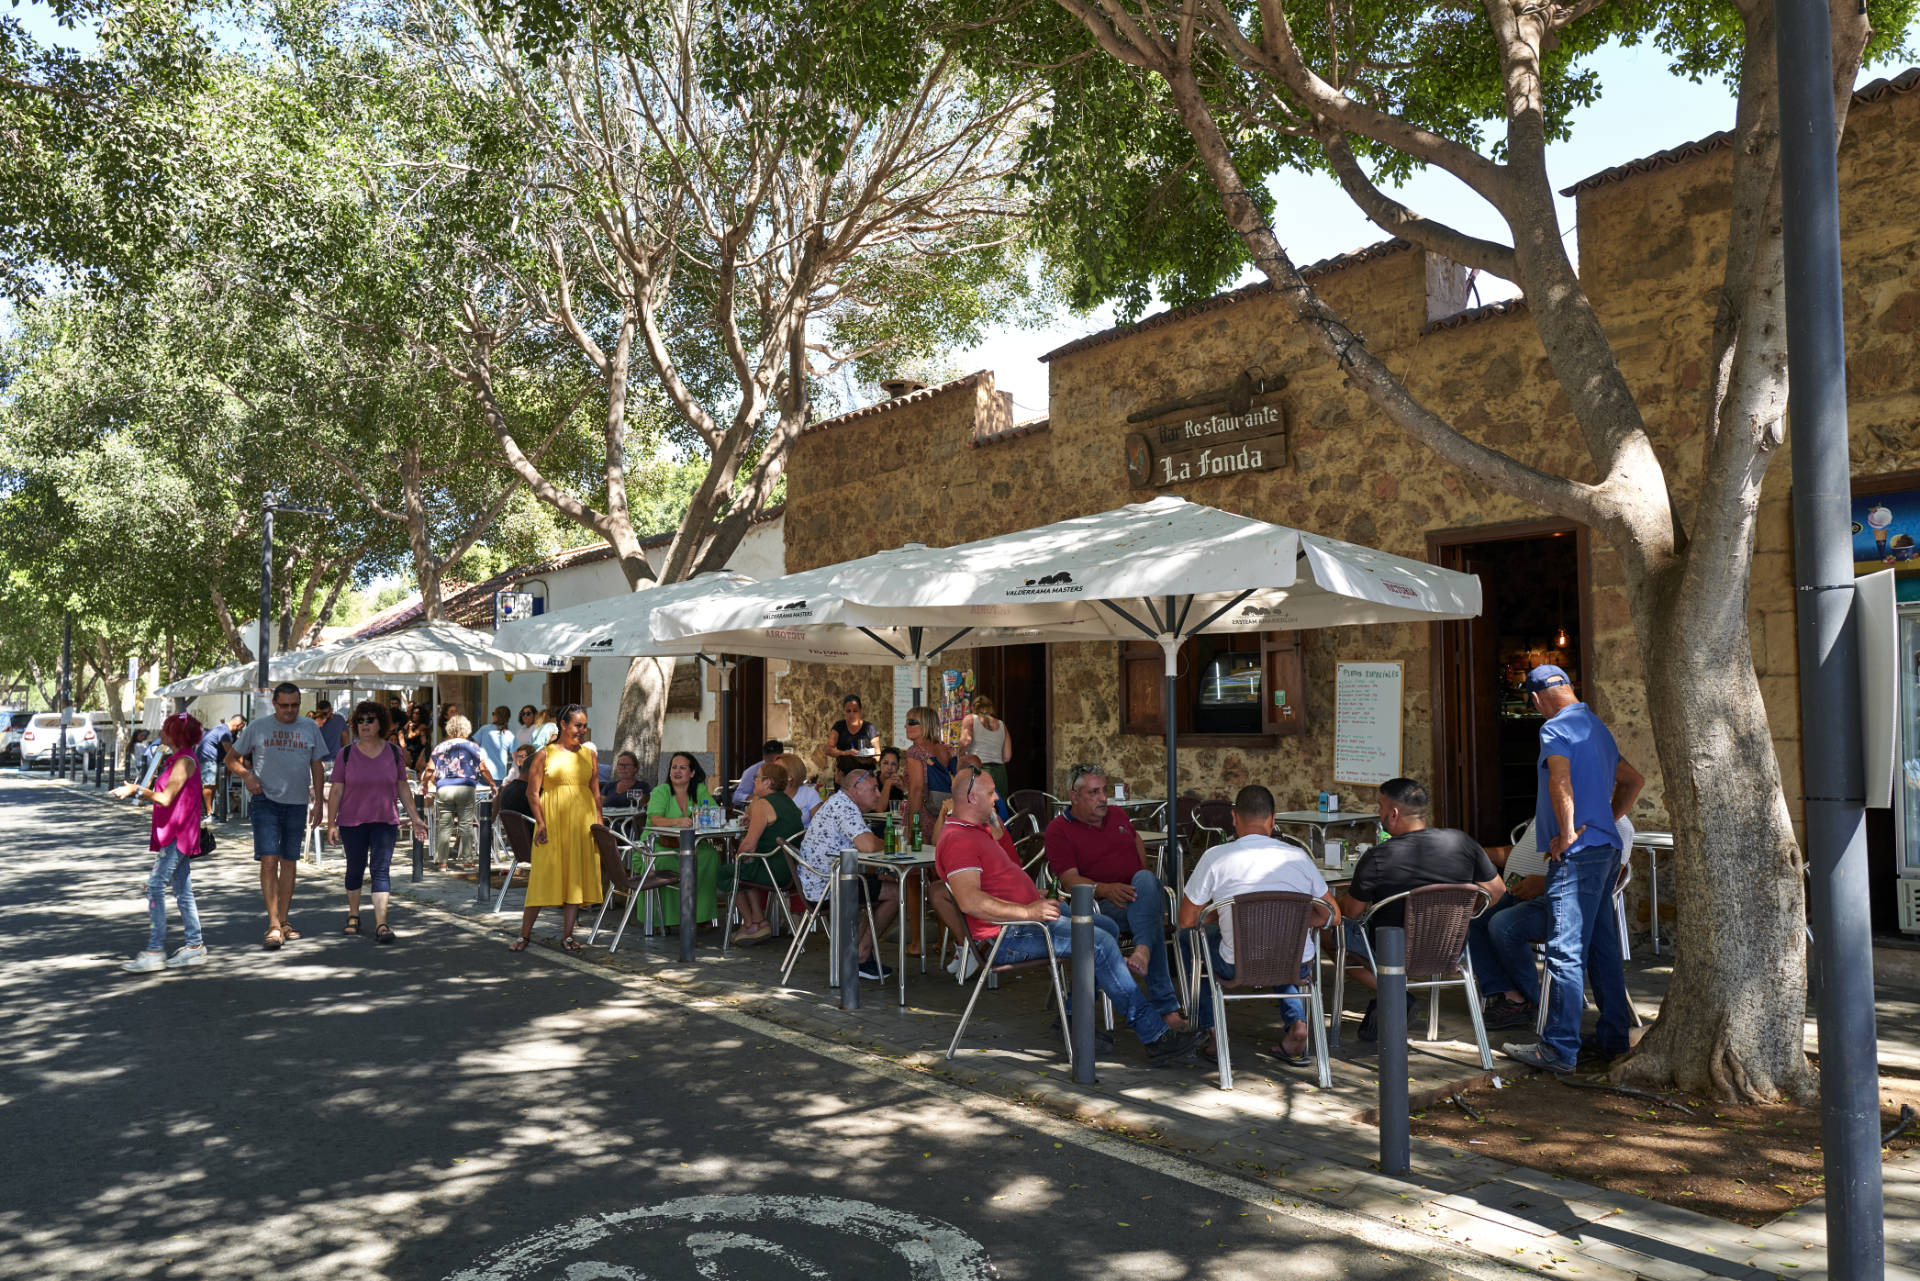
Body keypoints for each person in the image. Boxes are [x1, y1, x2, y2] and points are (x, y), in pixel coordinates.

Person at [937, 763, 1203, 1067]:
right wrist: (1026, 909)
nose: (997, 798)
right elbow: (970, 901)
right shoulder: (958, 840)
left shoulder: (979, 830)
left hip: (1028, 919)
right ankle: (1156, 1036)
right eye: (990, 792)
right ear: (971, 798)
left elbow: (1003, 875)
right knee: (1099, 941)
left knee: (1103, 926)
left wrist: (1031, 896)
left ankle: (1077, 1019)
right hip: (1006, 935)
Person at [1501, 666, 1646, 1073]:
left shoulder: (1554, 730)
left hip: (1578, 854)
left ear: (1535, 699)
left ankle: (1558, 1050)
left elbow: (1559, 781)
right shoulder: (1596, 727)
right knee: (1603, 949)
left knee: (1565, 952)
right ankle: (1614, 1039)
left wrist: (1566, 833)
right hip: (1605, 849)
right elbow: (1634, 780)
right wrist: (1604, 817)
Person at [1178, 785, 1339, 1066]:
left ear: (1233, 817)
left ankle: (1215, 1034)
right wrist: (1297, 922)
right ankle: (1297, 1024)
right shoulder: (1299, 857)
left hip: (1236, 964)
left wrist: (1222, 912)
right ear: (1273, 820)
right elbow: (1333, 915)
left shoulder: (1215, 857)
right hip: (1293, 963)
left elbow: (1187, 920)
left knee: (1187, 941)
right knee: (1282, 944)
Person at [1339, 777, 1505, 1041]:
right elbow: (1497, 891)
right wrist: (1463, 916)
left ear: (1393, 813)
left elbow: (1350, 912)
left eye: (1380, 806)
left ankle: (1393, 993)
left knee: (1330, 932)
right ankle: (1395, 993)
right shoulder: (1462, 843)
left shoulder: (1378, 857)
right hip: (1450, 948)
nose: (1378, 813)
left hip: (1390, 952)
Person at [1044, 763, 1186, 1033]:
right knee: (1151, 918)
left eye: (1104, 791)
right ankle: (1167, 1009)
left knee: (1145, 881)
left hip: (1135, 897)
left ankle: (1141, 951)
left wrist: (1139, 888)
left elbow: (1136, 844)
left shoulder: (1118, 814)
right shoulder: (1058, 829)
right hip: (1100, 907)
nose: (1103, 798)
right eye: (1094, 792)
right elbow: (1069, 880)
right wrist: (1106, 888)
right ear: (1075, 796)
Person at [1470, 813, 1637, 1032]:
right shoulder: (1555, 811)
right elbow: (1523, 853)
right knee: (1475, 922)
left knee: (1504, 925)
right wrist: (1477, 853)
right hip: (1521, 895)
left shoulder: (1618, 825)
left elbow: (1608, 879)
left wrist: (1544, 884)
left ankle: (1531, 1002)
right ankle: (1510, 995)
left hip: (1562, 902)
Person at [224, 683, 329, 951]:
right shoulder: (258, 727)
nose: (290, 711)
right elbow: (231, 758)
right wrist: (247, 775)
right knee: (269, 860)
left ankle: (284, 920)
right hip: (265, 800)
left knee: (289, 861)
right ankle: (273, 924)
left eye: (294, 705)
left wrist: (318, 802)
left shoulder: (309, 728)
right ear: (274, 704)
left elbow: (317, 764)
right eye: (284, 706)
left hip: (296, 803)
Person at [111, 713, 210, 972]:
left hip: (177, 833)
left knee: (155, 887)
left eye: (166, 729)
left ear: (176, 734)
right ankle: (195, 946)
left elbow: (165, 798)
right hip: (177, 831)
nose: (161, 732)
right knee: (182, 890)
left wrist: (137, 791)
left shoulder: (184, 761)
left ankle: (155, 951)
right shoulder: (178, 759)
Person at [325, 701, 428, 943]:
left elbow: (402, 787)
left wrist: (415, 819)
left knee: (381, 869)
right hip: (352, 821)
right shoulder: (346, 754)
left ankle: (381, 922)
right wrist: (331, 823)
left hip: (384, 820)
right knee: (355, 867)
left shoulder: (393, 753)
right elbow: (337, 790)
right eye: (360, 720)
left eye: (370, 720)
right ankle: (353, 915)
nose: (364, 725)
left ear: (380, 723)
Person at [795, 767, 899, 980]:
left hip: (826, 880)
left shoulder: (840, 802)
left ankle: (855, 953)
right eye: (874, 788)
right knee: (895, 893)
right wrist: (890, 842)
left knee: (884, 882)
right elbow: (868, 845)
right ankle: (861, 955)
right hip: (827, 887)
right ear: (855, 788)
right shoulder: (844, 807)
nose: (879, 794)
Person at [516, 704, 604, 952]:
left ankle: (567, 935)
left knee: (574, 877)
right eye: (578, 725)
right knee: (543, 876)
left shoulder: (590, 755)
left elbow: (596, 794)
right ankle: (524, 935)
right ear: (563, 725)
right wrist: (541, 822)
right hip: (552, 822)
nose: (582, 730)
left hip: (582, 823)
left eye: (584, 725)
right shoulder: (545, 754)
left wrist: (599, 823)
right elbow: (532, 793)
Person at [726, 758, 804, 944]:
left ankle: (751, 923)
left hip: (775, 870)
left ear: (768, 782)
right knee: (747, 865)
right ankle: (757, 922)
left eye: (757, 778)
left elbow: (749, 845)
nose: (754, 781)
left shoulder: (764, 804)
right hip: (793, 869)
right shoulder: (788, 802)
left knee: (730, 871)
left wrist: (737, 858)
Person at [645, 751, 722, 931]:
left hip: (692, 844)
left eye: (683, 768)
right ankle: (662, 918)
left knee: (709, 857)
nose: (677, 771)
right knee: (664, 861)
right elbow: (655, 819)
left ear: (692, 773)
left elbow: (713, 813)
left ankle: (701, 916)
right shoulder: (661, 791)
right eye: (674, 767)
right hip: (659, 844)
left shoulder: (699, 790)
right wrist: (677, 821)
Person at [422, 714, 496, 872]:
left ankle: (442, 862)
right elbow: (483, 769)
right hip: (466, 787)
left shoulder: (440, 747)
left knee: (444, 825)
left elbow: (429, 769)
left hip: (444, 788)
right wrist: (492, 784)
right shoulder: (473, 747)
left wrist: (424, 784)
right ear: (467, 728)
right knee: (466, 824)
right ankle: (468, 861)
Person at [903, 704, 953, 840]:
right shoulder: (946, 749)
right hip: (944, 814)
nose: (905, 726)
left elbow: (916, 790)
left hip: (924, 815)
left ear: (926, 725)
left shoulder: (915, 751)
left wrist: (913, 827)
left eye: (911, 722)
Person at [959, 695, 1012, 797]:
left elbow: (965, 742)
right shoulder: (1001, 724)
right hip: (1000, 773)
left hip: (980, 771)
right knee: (999, 808)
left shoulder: (970, 719)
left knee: (980, 808)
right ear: (991, 708)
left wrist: (960, 758)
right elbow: (1007, 756)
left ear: (974, 708)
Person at [827, 694, 880, 778]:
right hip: (844, 778)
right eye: (848, 711)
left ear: (860, 710)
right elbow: (828, 749)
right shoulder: (839, 726)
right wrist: (846, 753)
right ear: (844, 711)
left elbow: (878, 755)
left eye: (855, 711)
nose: (851, 714)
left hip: (865, 778)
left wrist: (866, 760)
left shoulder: (869, 727)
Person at [199, 712, 242, 814]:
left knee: (214, 785)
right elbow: (230, 751)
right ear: (238, 724)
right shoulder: (225, 732)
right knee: (209, 784)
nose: (240, 730)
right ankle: (208, 812)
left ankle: (209, 811)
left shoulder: (228, 731)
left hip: (213, 759)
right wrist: (241, 764)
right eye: (241, 727)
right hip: (207, 758)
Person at [731, 739, 785, 806]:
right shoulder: (752, 771)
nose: (773, 766)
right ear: (764, 757)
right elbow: (736, 797)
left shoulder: (785, 769)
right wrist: (753, 798)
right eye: (770, 762)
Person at [476, 705, 518, 785]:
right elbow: (516, 759)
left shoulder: (484, 729)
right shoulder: (510, 735)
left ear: (496, 716)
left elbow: (474, 749)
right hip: (500, 776)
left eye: (493, 713)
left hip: (483, 774)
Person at [778, 752, 822, 822]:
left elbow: (818, 825)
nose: (772, 772)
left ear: (790, 776)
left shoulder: (809, 794)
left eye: (777, 769)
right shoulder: (770, 792)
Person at [497, 745, 536, 819]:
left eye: (522, 756)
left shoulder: (535, 769)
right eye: (518, 756)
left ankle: (492, 818)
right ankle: (493, 818)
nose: (519, 759)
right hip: (523, 814)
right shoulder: (515, 767)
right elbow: (507, 781)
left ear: (530, 757)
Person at [874, 746, 909, 810]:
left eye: (893, 764)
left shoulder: (901, 781)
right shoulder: (872, 782)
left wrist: (904, 788)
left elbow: (917, 806)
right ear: (880, 764)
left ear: (898, 767)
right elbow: (880, 810)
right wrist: (888, 784)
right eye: (886, 763)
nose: (889, 768)